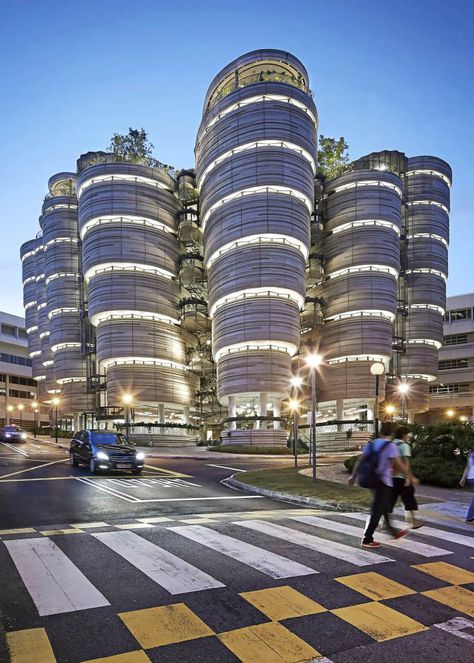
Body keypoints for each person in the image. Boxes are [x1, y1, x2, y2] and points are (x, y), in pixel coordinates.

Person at [349, 421, 409, 548]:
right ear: (392, 433)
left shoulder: (372, 444)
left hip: (372, 479)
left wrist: (353, 476)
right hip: (384, 481)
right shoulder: (391, 446)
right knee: (378, 509)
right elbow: (398, 464)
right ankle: (367, 539)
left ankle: (392, 530)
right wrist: (410, 476)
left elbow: (360, 460)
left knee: (383, 506)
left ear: (381, 432)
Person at [390, 426, 423, 528]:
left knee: (390, 500)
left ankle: (383, 521)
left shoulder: (391, 444)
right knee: (409, 500)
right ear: (404, 435)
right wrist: (410, 477)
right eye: (407, 434)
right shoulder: (404, 446)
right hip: (402, 478)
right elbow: (406, 464)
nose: (408, 436)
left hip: (390, 477)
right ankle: (414, 522)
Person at [459, 446, 474, 523]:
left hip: (470, 478)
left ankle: (470, 517)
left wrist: (463, 479)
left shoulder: (470, 454)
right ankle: (469, 517)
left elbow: (467, 467)